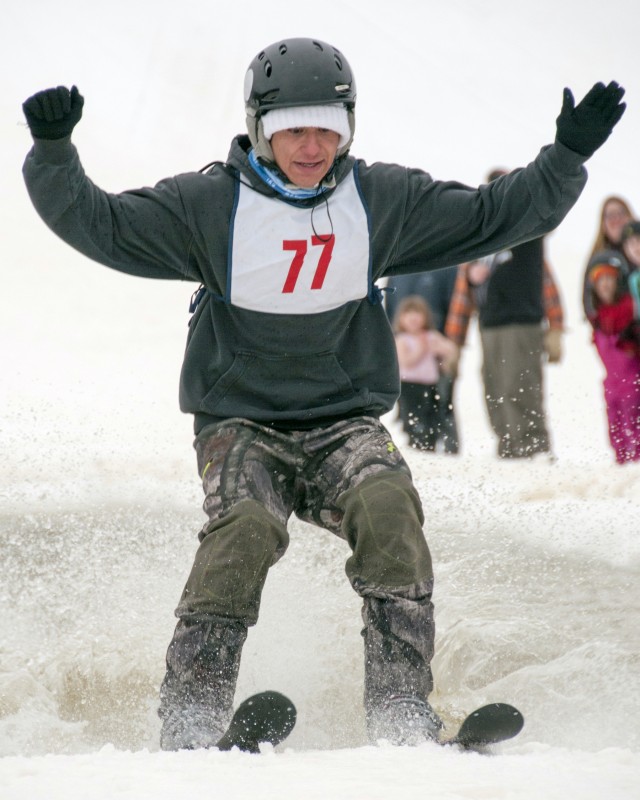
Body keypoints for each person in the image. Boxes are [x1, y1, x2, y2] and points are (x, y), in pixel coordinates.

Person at [21, 38, 625, 750]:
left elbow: (491, 215)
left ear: (347, 129)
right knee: (243, 527)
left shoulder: (378, 202)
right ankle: (191, 715)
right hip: (241, 424)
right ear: (260, 129)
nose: (311, 146)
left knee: (388, 506)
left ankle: (401, 710)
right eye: (293, 130)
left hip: (343, 422)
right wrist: (55, 153)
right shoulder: (211, 207)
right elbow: (106, 225)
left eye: (327, 129)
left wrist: (565, 158)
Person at [445, 174, 564, 460]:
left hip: (521, 323)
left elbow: (545, 281)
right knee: (494, 389)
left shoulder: (529, 229)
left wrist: (555, 326)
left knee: (518, 386)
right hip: (488, 325)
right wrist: (454, 342)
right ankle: (510, 447)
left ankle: (534, 448)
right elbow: (463, 293)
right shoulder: (482, 234)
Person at [386, 268, 461, 453]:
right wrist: (420, 348)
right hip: (408, 386)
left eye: (417, 315)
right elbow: (406, 361)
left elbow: (450, 348)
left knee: (434, 414)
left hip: (429, 384)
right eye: (408, 315)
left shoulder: (430, 335)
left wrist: (440, 350)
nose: (413, 320)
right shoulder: (402, 340)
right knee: (411, 418)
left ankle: (436, 442)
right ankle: (416, 443)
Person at [586, 252, 640, 463]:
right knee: (616, 432)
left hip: (634, 384)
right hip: (612, 386)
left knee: (635, 428)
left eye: (610, 278)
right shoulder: (599, 317)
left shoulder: (631, 311)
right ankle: (622, 467)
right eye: (600, 279)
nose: (605, 284)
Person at [582, 196, 634, 319]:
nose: (616, 219)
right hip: (613, 331)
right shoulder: (598, 259)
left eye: (621, 213)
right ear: (603, 223)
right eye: (610, 215)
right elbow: (589, 302)